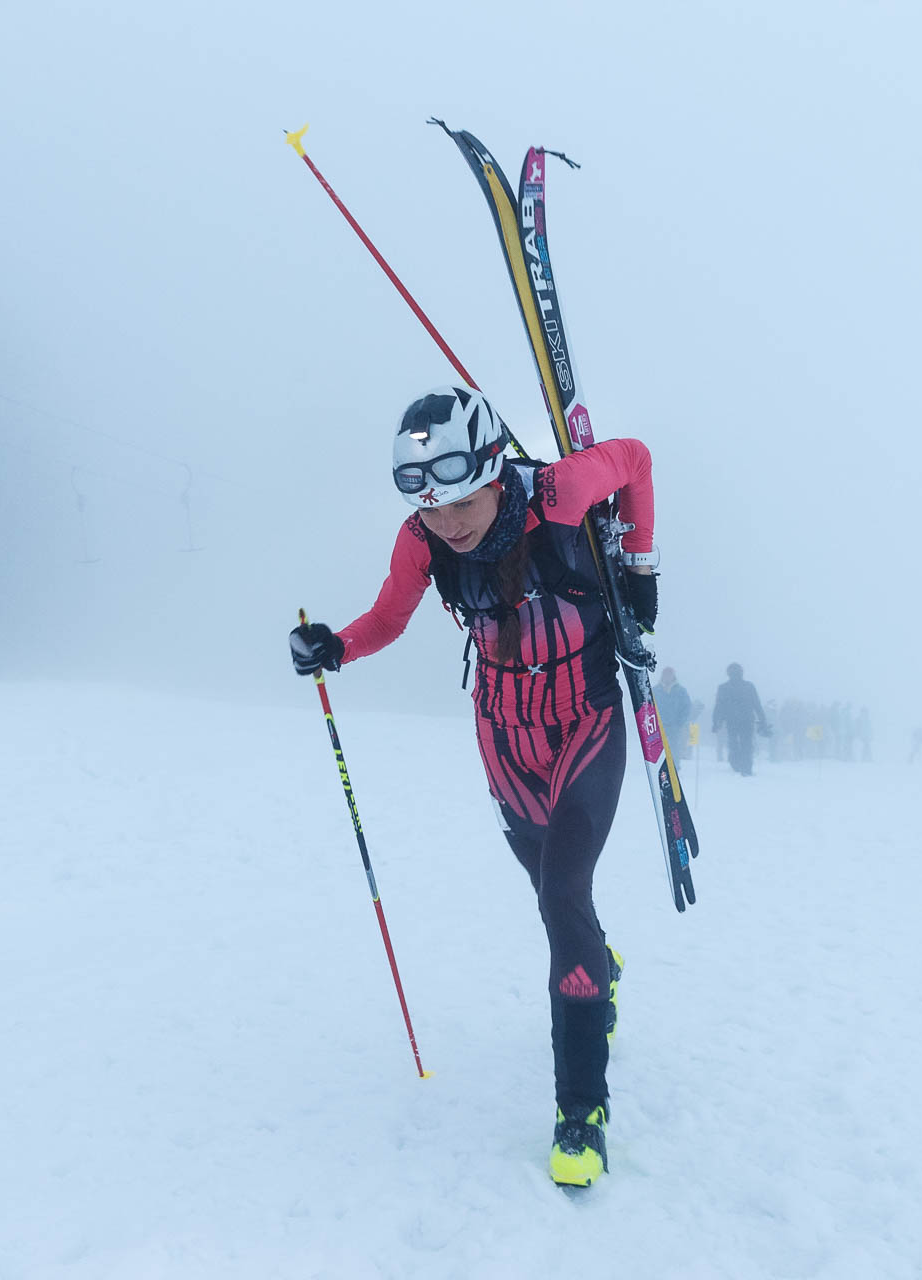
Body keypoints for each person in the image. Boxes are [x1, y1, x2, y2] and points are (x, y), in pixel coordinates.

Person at [288, 385, 657, 1188]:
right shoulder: (422, 539)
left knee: (563, 895)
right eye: (430, 506)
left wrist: (641, 567)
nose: (447, 520)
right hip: (502, 731)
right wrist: (335, 647)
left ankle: (581, 1112)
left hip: (585, 717)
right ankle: (601, 963)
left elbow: (634, 461)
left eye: (460, 500)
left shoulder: (558, 493)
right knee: (551, 893)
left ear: (495, 469)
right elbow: (389, 617)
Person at [712, 663, 768, 776]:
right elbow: (757, 704)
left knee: (736, 744)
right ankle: (744, 767)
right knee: (744, 745)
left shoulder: (725, 688)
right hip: (743, 721)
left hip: (735, 721)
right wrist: (762, 720)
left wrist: (716, 721)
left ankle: (739, 765)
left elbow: (719, 706)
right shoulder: (748, 686)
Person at [655, 667, 693, 759]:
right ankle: (659, 769)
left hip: (675, 726)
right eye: (665, 674)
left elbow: (687, 707)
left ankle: (675, 769)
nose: (667, 677)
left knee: (675, 749)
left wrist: (680, 722)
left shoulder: (681, 691)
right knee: (657, 749)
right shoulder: (655, 690)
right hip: (658, 726)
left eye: (669, 674)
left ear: (673, 676)